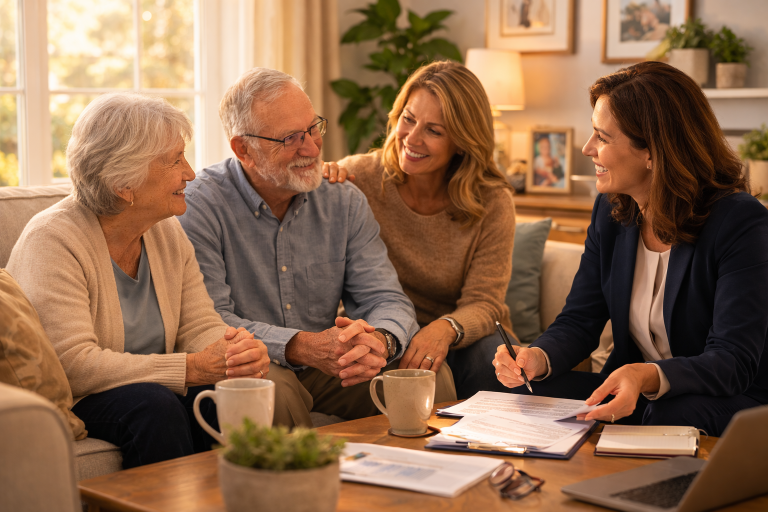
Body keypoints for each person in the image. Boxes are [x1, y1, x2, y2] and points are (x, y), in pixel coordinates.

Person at [493, 61, 768, 436]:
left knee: (670, 414)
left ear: (653, 151)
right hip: (638, 395)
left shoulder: (739, 221)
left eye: (602, 137)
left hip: (728, 397)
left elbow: (732, 361)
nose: (588, 148)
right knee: (526, 394)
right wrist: (535, 358)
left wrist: (648, 375)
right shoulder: (611, 212)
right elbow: (580, 319)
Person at [179, 67, 456, 428]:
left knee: (429, 375)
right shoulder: (200, 206)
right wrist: (299, 345)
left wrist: (381, 343)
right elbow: (213, 320)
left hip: (329, 365)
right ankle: (305, 484)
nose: (311, 148)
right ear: (243, 149)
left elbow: (385, 298)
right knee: (270, 390)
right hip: (255, 360)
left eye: (313, 128)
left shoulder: (343, 201)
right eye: (291, 138)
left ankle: (429, 480)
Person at [7, 93, 269, 468]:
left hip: (151, 388)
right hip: (79, 397)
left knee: (229, 392)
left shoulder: (166, 232)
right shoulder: (52, 240)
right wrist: (190, 368)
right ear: (123, 183)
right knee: (153, 406)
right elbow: (74, 364)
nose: (190, 173)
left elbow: (199, 323)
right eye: (174, 160)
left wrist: (234, 353)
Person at [324, 61, 517, 399]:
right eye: (408, 119)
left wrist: (444, 329)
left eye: (434, 130)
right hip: (384, 334)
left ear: (462, 141)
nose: (411, 138)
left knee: (499, 360)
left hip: (460, 340)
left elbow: (485, 303)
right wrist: (320, 181)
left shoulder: (492, 201)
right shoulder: (359, 178)